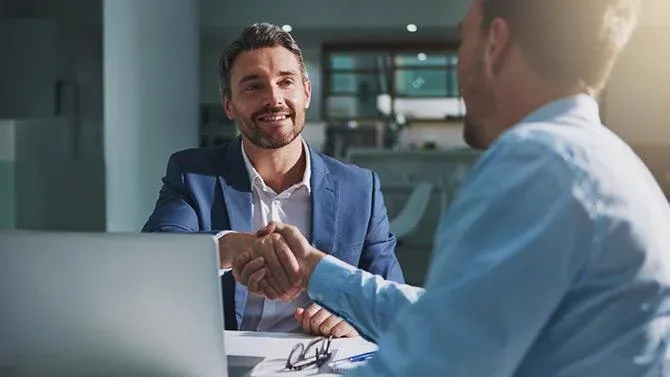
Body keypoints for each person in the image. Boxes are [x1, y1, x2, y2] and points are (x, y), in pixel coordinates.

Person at [234, 0, 670, 375]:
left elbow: (431, 362)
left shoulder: (537, 163)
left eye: (463, 39)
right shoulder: (596, 159)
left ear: (494, 44)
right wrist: (315, 269)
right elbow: (445, 319)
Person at [142, 23, 404, 337]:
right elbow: (155, 255)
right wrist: (235, 247)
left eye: (285, 82)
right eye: (254, 86)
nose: (274, 98)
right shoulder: (192, 173)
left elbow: (392, 297)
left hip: (320, 363)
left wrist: (356, 319)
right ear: (229, 105)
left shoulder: (360, 189)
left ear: (306, 92)